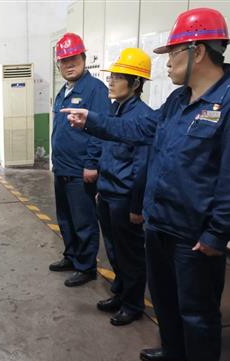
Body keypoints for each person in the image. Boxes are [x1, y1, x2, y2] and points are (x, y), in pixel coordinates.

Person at [65, 8, 230, 361]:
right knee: (166, 299)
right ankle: (174, 351)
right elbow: (139, 129)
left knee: (198, 309)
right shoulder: (177, 100)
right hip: (159, 222)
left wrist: (218, 233)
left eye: (172, 54)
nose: (167, 63)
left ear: (197, 51)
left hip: (194, 232)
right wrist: (93, 120)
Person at [48, 33, 112, 287]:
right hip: (62, 166)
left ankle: (86, 267)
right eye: (64, 61)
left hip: (80, 169)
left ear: (84, 58)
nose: (69, 64)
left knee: (84, 220)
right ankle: (72, 256)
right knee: (65, 217)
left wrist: (91, 163)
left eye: (73, 58)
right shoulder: (64, 91)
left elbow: (101, 130)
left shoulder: (96, 90)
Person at [95, 48, 153, 326]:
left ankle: (132, 305)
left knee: (130, 254)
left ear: (136, 83)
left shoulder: (142, 117)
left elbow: (142, 168)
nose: (111, 82)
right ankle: (120, 293)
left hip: (124, 198)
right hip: (107, 193)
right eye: (112, 77)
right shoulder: (115, 110)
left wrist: (136, 206)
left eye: (118, 78)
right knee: (114, 250)